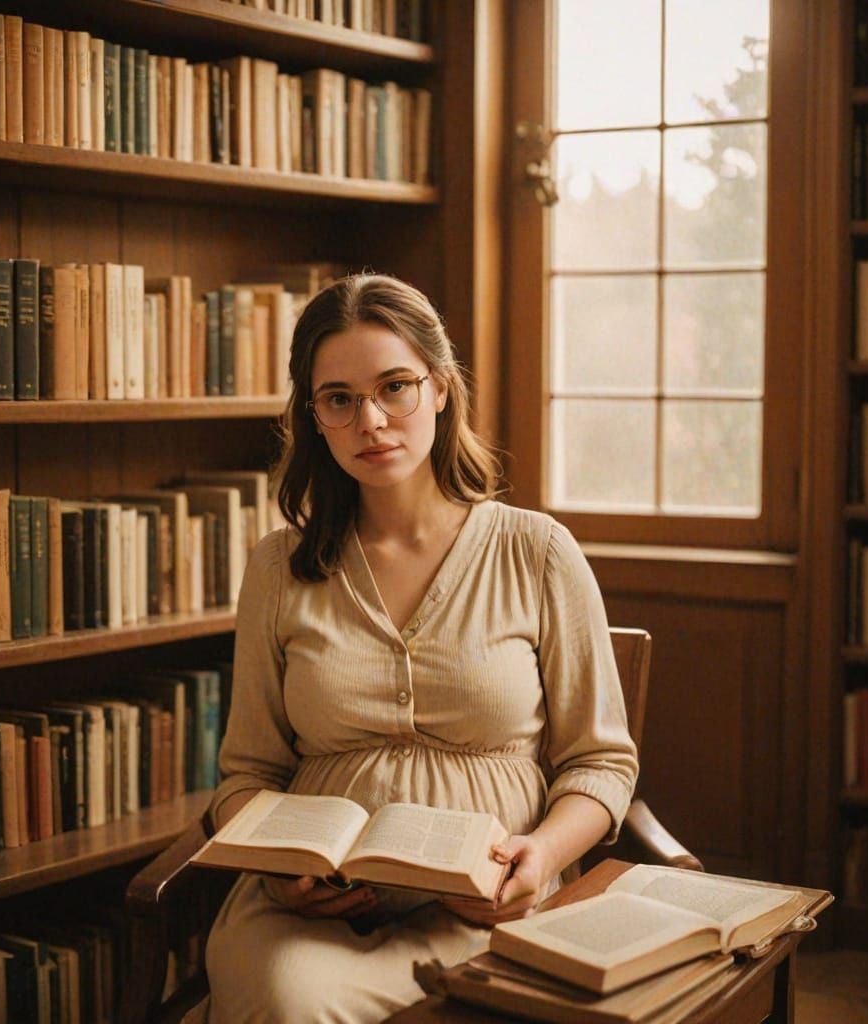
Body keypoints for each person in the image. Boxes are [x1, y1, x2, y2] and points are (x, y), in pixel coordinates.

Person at [204, 274, 639, 1023]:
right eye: (338, 399)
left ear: (440, 387)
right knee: (292, 1000)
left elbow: (602, 762)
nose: (370, 419)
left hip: (492, 910)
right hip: (307, 922)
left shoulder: (537, 552)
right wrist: (279, 877)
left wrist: (540, 855)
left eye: (394, 387)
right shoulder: (278, 567)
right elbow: (247, 773)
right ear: (315, 418)